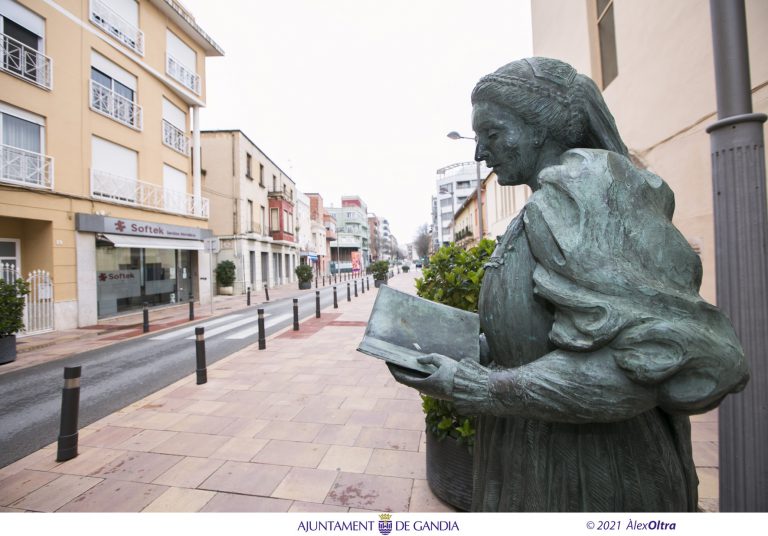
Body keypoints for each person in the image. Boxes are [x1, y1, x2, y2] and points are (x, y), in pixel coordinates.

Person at [388, 58, 749, 512]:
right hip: (534, 458)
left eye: (492, 133)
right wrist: (470, 351)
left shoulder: (584, 192)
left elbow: (632, 369)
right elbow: (545, 333)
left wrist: (477, 386)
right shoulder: (541, 207)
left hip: (588, 476)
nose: (480, 153)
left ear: (538, 128)